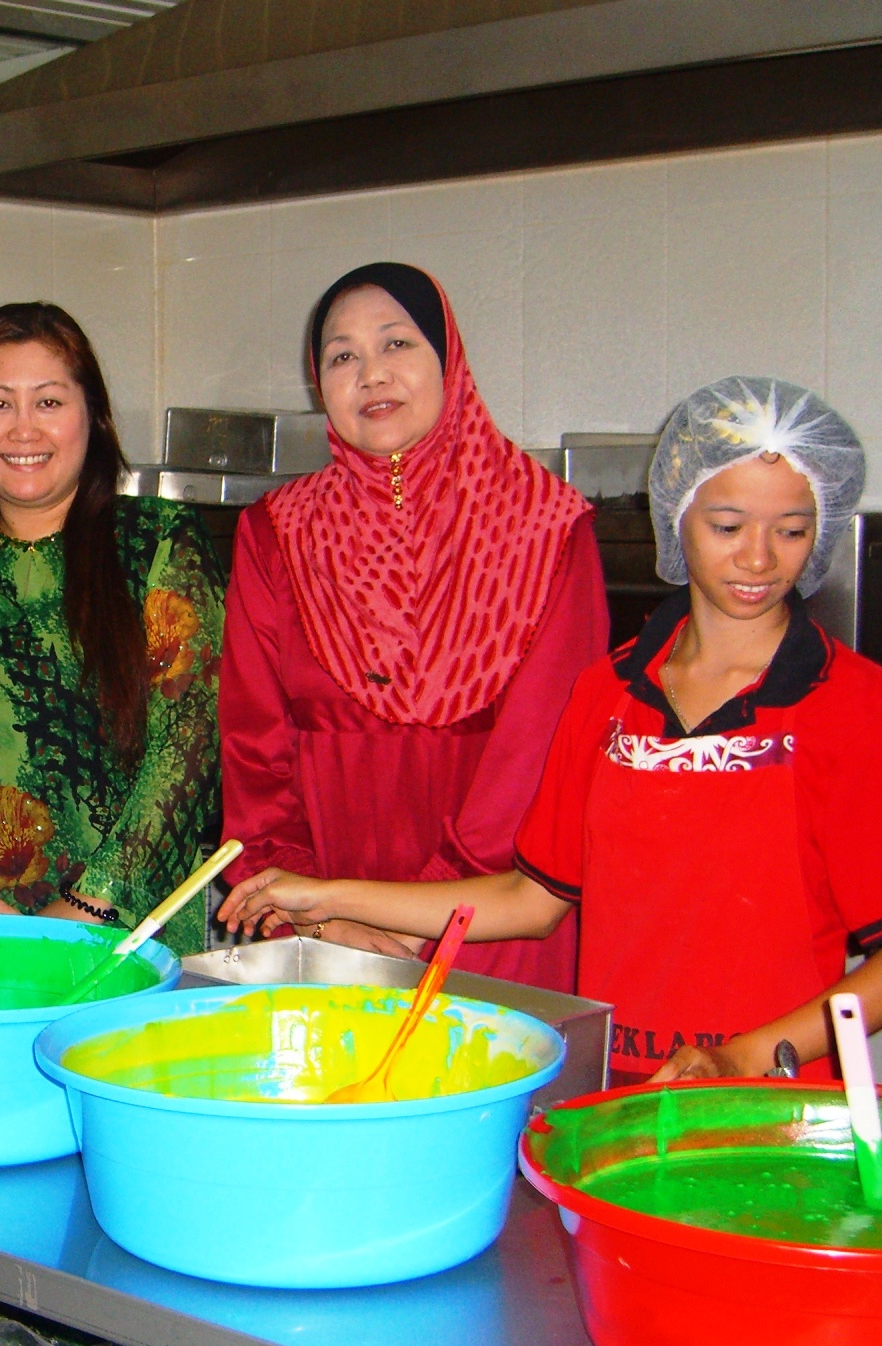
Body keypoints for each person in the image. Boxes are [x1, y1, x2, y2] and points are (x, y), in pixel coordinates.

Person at [222, 376, 882, 1086]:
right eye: (726, 526)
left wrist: (746, 1056)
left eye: (791, 531)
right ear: (675, 516)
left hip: (769, 1106)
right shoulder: (607, 693)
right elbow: (529, 902)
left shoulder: (857, 706)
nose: (758, 559)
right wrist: (323, 894)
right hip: (611, 1091)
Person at [218, 263, 607, 989]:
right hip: (324, 933)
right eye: (342, 356)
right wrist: (318, 914)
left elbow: (543, 761)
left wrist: (405, 920)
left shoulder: (546, 529)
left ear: (447, 360)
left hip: (492, 925)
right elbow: (250, 753)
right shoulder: (275, 534)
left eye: (396, 345)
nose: (371, 374)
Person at [0, 302, 223, 955]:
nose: (21, 430)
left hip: (123, 937)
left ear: (91, 417)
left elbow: (187, 748)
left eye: (47, 402)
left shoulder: (157, 542)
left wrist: (85, 907)